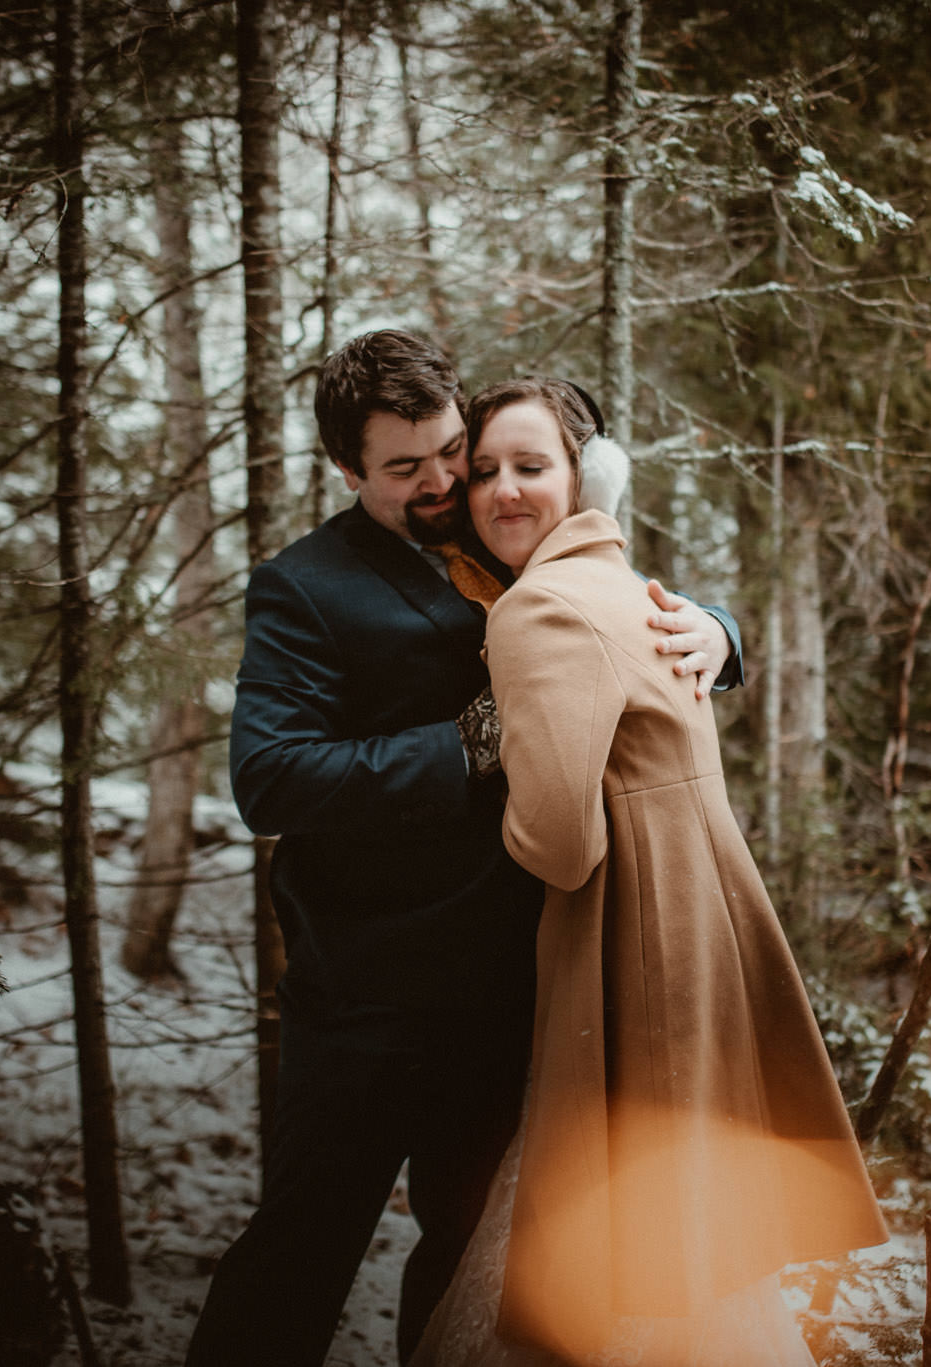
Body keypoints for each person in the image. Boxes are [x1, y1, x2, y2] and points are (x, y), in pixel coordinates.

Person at [185, 332, 744, 1367]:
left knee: (466, 1259)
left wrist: (717, 627)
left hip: (503, 994)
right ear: (348, 470)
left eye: (453, 450)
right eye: (405, 468)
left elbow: (612, 596)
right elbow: (269, 776)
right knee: (299, 1253)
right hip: (363, 997)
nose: (445, 482)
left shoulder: (500, 528)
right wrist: (466, 744)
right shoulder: (304, 586)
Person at [412, 380, 889, 1367]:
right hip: (696, 936)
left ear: (583, 478)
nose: (501, 489)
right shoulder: (641, 594)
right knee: (670, 1254)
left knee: (596, 1258)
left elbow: (559, 842)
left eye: (529, 466)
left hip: (621, 948)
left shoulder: (536, 607)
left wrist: (494, 779)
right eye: (486, 471)